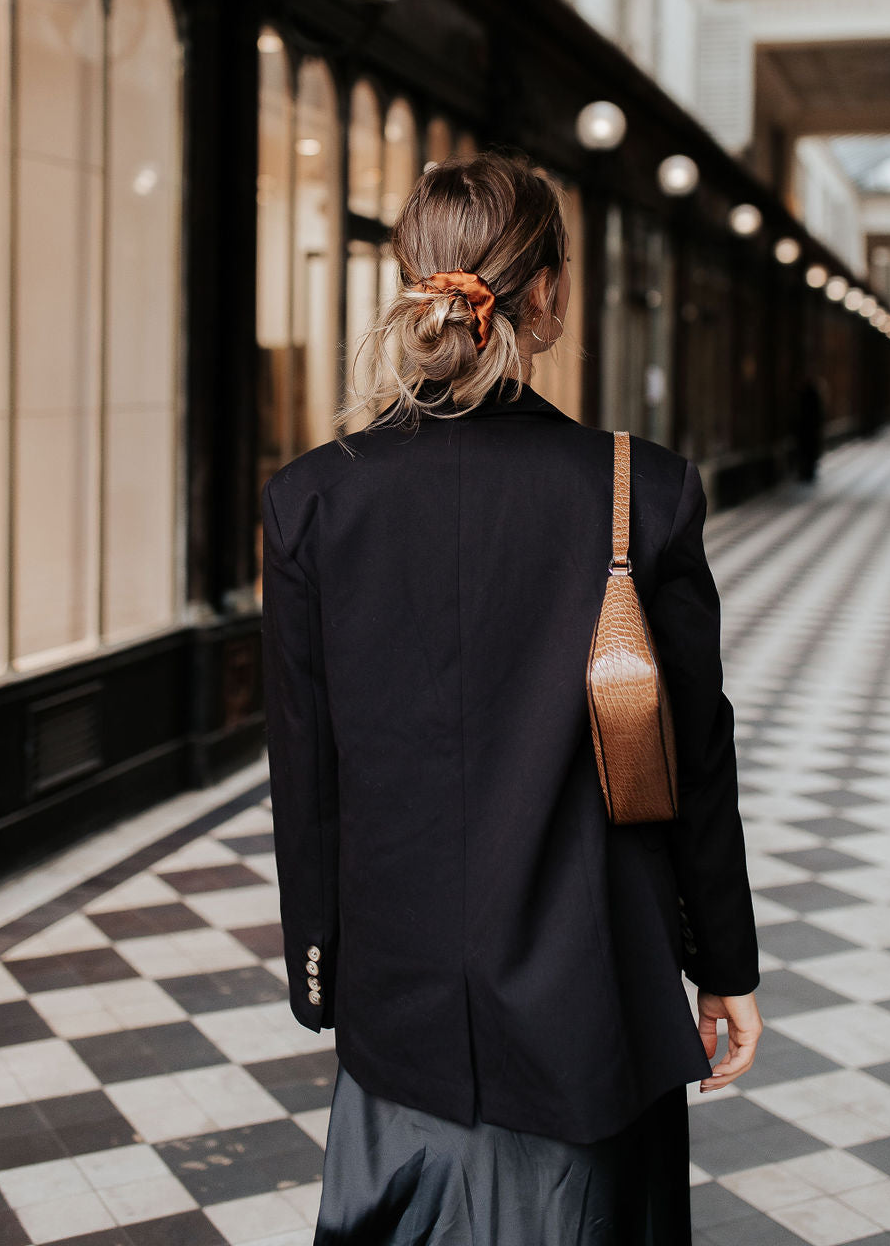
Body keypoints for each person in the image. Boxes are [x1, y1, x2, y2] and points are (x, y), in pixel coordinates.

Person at [260, 151, 762, 1245]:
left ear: (412, 281)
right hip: (596, 1007)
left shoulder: (310, 502)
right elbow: (695, 761)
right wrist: (722, 964)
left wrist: (321, 969)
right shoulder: (644, 489)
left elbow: (306, 778)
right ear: (546, 297)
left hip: (400, 1013)